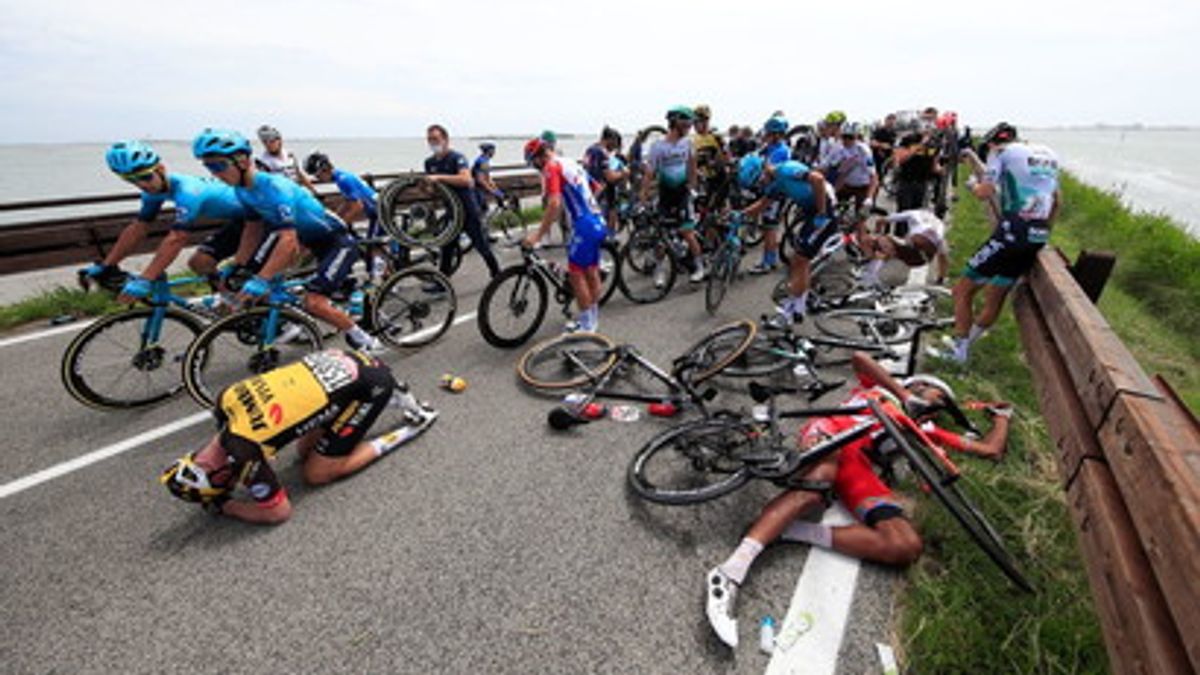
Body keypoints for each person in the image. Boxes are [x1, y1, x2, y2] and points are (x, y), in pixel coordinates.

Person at [705, 351, 1013, 647]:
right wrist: (904, 396)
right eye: (939, 395)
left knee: (906, 546)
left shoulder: (926, 429)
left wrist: (1002, 417)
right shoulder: (882, 390)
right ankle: (729, 573)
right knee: (818, 481)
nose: (942, 403)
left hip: (861, 469)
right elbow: (859, 359)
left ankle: (787, 530)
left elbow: (990, 451)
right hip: (835, 432)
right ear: (917, 385)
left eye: (946, 403)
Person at [159, 349, 436, 525]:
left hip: (369, 384)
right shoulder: (223, 405)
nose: (235, 485)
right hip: (339, 359)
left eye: (227, 486)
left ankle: (410, 428)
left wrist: (227, 506)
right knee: (305, 453)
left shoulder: (244, 454)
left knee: (316, 473)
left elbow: (278, 513)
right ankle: (363, 397)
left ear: (218, 474)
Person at [192, 128, 384, 353]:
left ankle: (366, 341)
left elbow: (288, 241)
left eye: (218, 165)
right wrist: (237, 266)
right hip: (308, 240)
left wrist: (261, 279)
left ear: (242, 161)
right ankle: (289, 323)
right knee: (256, 282)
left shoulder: (274, 187)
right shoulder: (243, 191)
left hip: (336, 241)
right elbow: (252, 229)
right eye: (208, 167)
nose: (214, 173)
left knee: (313, 302)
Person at [948, 123, 1061, 364]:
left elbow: (985, 191)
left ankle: (958, 352)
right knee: (996, 293)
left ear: (991, 144)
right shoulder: (1048, 155)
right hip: (1036, 236)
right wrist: (1043, 231)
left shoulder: (1000, 153)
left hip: (1012, 232)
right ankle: (966, 347)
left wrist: (972, 186)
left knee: (962, 290)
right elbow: (1057, 200)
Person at [91, 140, 257, 301]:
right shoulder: (151, 193)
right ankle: (233, 301)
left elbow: (177, 238)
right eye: (131, 180)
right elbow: (138, 229)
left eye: (145, 177)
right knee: (200, 263)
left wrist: (146, 278)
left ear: (161, 169)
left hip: (265, 220)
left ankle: (263, 309)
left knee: (244, 276)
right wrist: (107, 265)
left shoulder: (188, 191)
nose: (142, 184)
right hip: (241, 221)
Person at [522, 137, 608, 332]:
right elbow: (597, 187)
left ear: (539, 156)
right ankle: (592, 320)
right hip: (596, 220)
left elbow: (554, 204)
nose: (535, 167)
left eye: (533, 162)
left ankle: (587, 326)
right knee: (591, 272)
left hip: (584, 225)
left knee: (577, 275)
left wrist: (538, 235)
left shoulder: (551, 167)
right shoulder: (568, 162)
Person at [736, 155, 834, 325]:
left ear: (765, 170)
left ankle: (790, 312)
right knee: (799, 261)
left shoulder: (787, 169)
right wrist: (740, 215)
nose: (762, 184)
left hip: (825, 211)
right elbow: (762, 204)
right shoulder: (774, 183)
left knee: (800, 260)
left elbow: (818, 179)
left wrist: (822, 212)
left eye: (760, 180)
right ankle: (798, 307)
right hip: (811, 212)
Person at [304, 151, 397, 283]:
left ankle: (384, 281)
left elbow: (357, 206)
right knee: (375, 245)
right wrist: (335, 217)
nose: (317, 179)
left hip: (379, 213)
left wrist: (341, 222)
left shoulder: (343, 180)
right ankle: (387, 275)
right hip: (377, 212)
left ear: (324, 169)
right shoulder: (341, 176)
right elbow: (348, 201)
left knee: (373, 245)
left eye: (317, 175)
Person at [424, 124, 502, 279]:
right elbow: (432, 190)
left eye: (436, 139)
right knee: (446, 245)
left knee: (481, 245)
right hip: (452, 210)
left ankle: (497, 272)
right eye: (430, 140)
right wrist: (426, 187)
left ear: (445, 140)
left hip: (468, 209)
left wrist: (439, 177)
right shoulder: (429, 163)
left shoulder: (457, 158)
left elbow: (466, 179)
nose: (433, 143)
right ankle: (442, 282)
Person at [639, 105, 706, 283]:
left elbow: (692, 165)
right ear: (674, 123)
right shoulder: (658, 146)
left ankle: (699, 266)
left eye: (690, 125)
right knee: (661, 235)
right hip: (665, 193)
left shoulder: (688, 143)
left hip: (683, 193)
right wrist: (643, 199)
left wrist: (693, 189)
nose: (689, 128)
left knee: (687, 232)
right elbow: (649, 174)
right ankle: (660, 270)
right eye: (686, 125)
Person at [747, 115, 793, 275]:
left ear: (777, 134)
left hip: (776, 192)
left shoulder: (781, 150)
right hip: (774, 190)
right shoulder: (773, 147)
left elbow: (770, 172)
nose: (766, 136)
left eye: (769, 133)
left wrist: (760, 175)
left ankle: (768, 262)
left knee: (769, 228)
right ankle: (770, 259)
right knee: (769, 227)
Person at [861, 208, 951, 285]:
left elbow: (881, 220)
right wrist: (941, 278)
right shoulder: (939, 225)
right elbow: (943, 257)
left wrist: (878, 234)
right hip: (924, 257)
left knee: (884, 247)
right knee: (891, 249)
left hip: (916, 245)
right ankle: (876, 269)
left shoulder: (914, 214)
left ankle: (869, 276)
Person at [821, 122, 878, 210]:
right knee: (834, 209)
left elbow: (874, 176)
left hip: (863, 187)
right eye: (844, 137)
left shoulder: (864, 151)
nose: (846, 140)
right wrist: (833, 192)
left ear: (856, 137)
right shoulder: (839, 148)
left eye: (850, 137)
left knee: (860, 219)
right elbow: (839, 171)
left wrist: (869, 197)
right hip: (847, 184)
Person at [584, 126, 629, 234]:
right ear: (610, 139)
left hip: (589, 191)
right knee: (610, 213)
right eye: (614, 144)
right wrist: (624, 173)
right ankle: (609, 238)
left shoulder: (589, 150)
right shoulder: (602, 153)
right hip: (602, 192)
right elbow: (610, 177)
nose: (614, 148)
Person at [254, 125, 318, 196]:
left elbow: (300, 175)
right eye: (265, 142)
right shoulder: (262, 162)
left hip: (295, 193)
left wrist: (314, 191)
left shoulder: (289, 155)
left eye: (271, 141)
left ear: (279, 140)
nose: (268, 145)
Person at [892, 128, 942, 211]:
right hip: (907, 181)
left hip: (922, 183)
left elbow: (935, 164)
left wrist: (940, 169)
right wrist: (920, 145)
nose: (928, 128)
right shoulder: (909, 139)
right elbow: (901, 159)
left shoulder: (935, 142)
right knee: (904, 212)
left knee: (917, 214)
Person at [691, 105, 729, 213]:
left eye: (696, 122)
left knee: (717, 211)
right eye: (693, 123)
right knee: (701, 211)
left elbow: (726, 157)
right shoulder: (693, 139)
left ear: (705, 121)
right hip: (705, 181)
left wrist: (713, 162)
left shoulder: (716, 136)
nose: (694, 126)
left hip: (720, 179)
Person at [472, 142, 505, 219]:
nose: (494, 152)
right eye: (493, 150)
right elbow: (480, 180)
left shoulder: (484, 160)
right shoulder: (482, 162)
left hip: (479, 189)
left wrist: (495, 188)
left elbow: (487, 178)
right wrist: (492, 191)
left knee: (484, 211)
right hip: (476, 189)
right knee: (483, 212)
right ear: (489, 151)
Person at [870, 113, 898, 179]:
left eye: (893, 122)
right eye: (890, 121)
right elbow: (872, 142)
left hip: (887, 161)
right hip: (877, 160)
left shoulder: (894, 133)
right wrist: (881, 145)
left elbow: (894, 146)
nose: (891, 123)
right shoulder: (878, 131)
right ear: (886, 120)